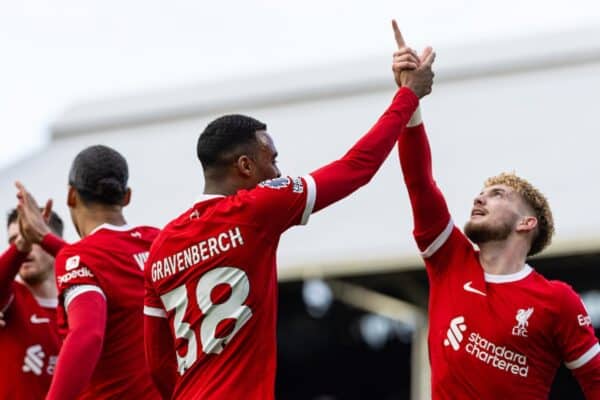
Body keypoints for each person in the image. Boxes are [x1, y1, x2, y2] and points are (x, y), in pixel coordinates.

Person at [143, 22, 435, 400]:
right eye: (272, 159)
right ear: (245, 166)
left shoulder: (161, 247)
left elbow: (157, 365)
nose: (279, 172)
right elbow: (356, 168)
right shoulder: (256, 208)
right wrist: (407, 97)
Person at [393, 36, 600, 398]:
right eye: (482, 192)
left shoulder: (557, 301)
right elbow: (419, 181)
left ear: (526, 223)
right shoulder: (449, 260)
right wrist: (411, 101)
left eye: (498, 195)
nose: (480, 197)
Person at [17, 145, 161, 399]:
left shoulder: (81, 258)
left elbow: (88, 334)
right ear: (126, 197)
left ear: (71, 196)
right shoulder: (157, 241)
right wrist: (47, 239)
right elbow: (109, 265)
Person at [0, 205, 63, 400]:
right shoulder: (9, 298)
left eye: (32, 236)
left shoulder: (82, 303)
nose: (23, 244)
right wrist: (21, 245)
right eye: (13, 241)